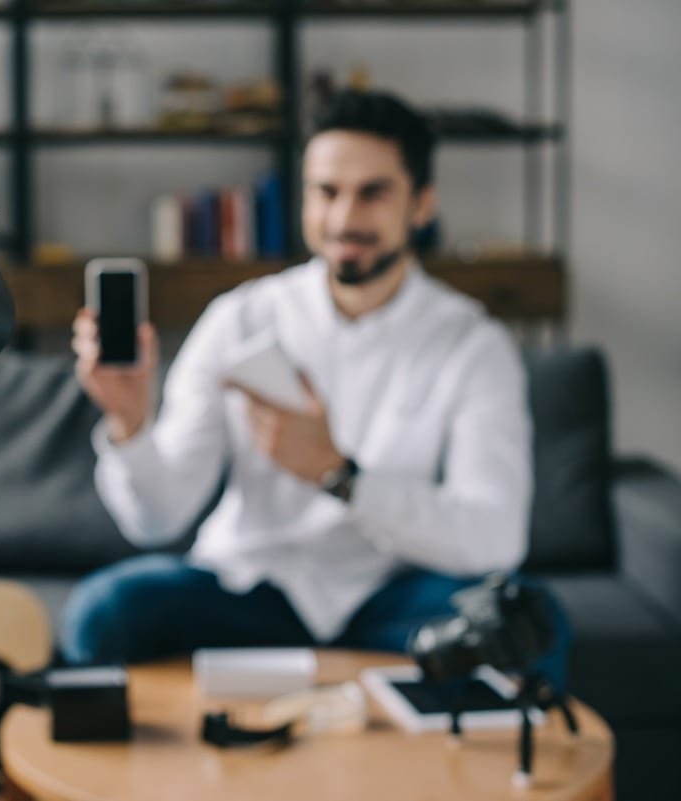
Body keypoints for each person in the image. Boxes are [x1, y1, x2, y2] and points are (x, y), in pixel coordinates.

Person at [65, 89, 570, 688]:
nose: (344, 219)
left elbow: (496, 538)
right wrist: (129, 424)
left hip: (395, 600)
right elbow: (156, 519)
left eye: (373, 193)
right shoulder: (240, 319)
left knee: (531, 621)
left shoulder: (473, 344)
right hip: (249, 590)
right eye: (326, 192)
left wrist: (338, 475)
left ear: (422, 204)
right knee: (103, 613)